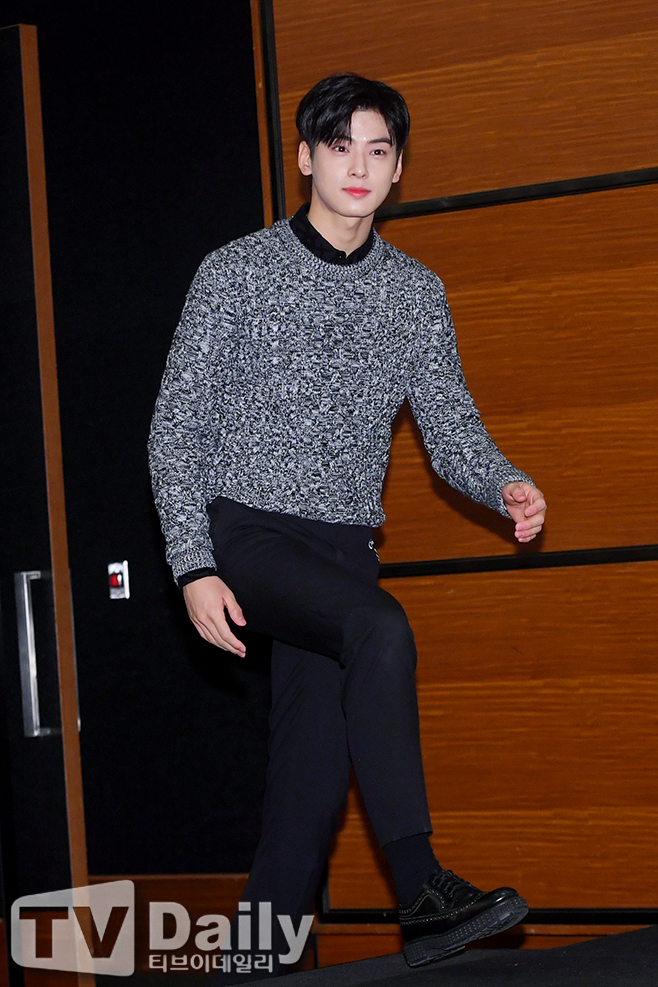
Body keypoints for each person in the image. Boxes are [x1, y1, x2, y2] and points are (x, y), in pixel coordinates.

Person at [148, 73, 547, 976]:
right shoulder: (236, 272)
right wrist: (193, 562)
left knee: (311, 786)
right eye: (339, 147)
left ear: (399, 168)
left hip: (342, 553)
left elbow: (451, 430)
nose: (358, 166)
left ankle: (252, 959)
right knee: (381, 627)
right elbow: (175, 429)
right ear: (305, 158)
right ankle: (421, 886)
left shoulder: (415, 292)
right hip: (247, 535)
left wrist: (506, 481)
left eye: (377, 149)